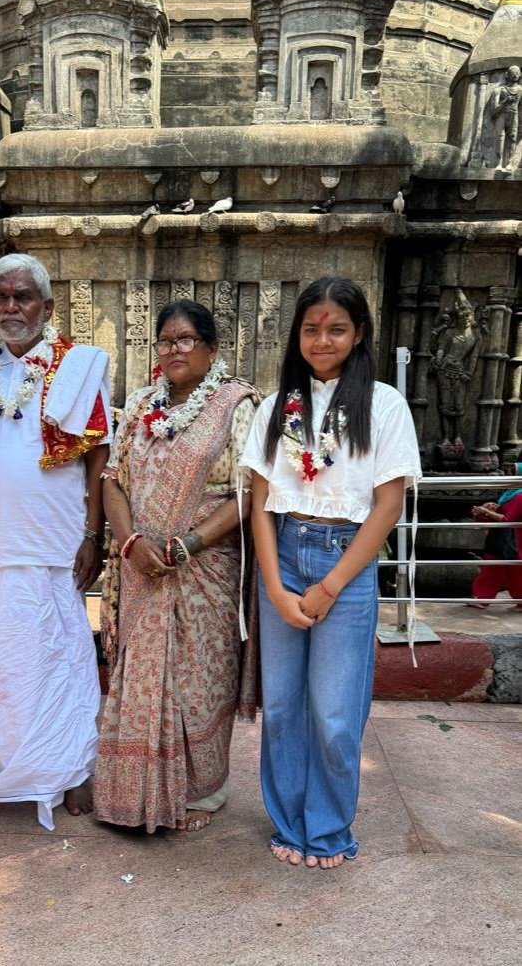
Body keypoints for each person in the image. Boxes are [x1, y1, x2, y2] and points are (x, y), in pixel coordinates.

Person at [241, 276, 421, 869]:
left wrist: (330, 585)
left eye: (337, 329)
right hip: (284, 550)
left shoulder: (384, 405)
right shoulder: (275, 409)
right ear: (297, 335)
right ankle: (291, 823)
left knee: (335, 710)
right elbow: (260, 502)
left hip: (347, 559)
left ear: (359, 333)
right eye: (312, 329)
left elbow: (388, 506)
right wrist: (273, 585)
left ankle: (329, 828)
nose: (323, 340)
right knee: (285, 707)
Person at [0, 253, 112, 830]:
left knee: (62, 654)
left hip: (56, 541)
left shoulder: (77, 368)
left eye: (23, 297)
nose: (11, 307)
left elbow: (98, 456)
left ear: (48, 306)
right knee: (1, 656)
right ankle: (4, 764)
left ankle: (75, 769)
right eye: (1, 297)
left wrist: (94, 532)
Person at [94, 300, 260, 833]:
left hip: (204, 566)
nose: (173, 350)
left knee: (198, 678)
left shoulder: (237, 406)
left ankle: (202, 793)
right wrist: (129, 541)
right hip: (140, 564)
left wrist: (188, 543)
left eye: (186, 340)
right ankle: (130, 788)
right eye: (165, 341)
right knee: (140, 675)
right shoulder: (141, 404)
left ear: (212, 349)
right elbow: (112, 480)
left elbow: (249, 492)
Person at [469, 476, 522, 607]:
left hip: (512, 537)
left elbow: (509, 519)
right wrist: (493, 507)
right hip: (501, 535)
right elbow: (506, 512)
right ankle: (482, 598)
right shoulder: (510, 493)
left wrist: (486, 511)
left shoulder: (520, 496)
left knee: (514, 571)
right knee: (493, 566)